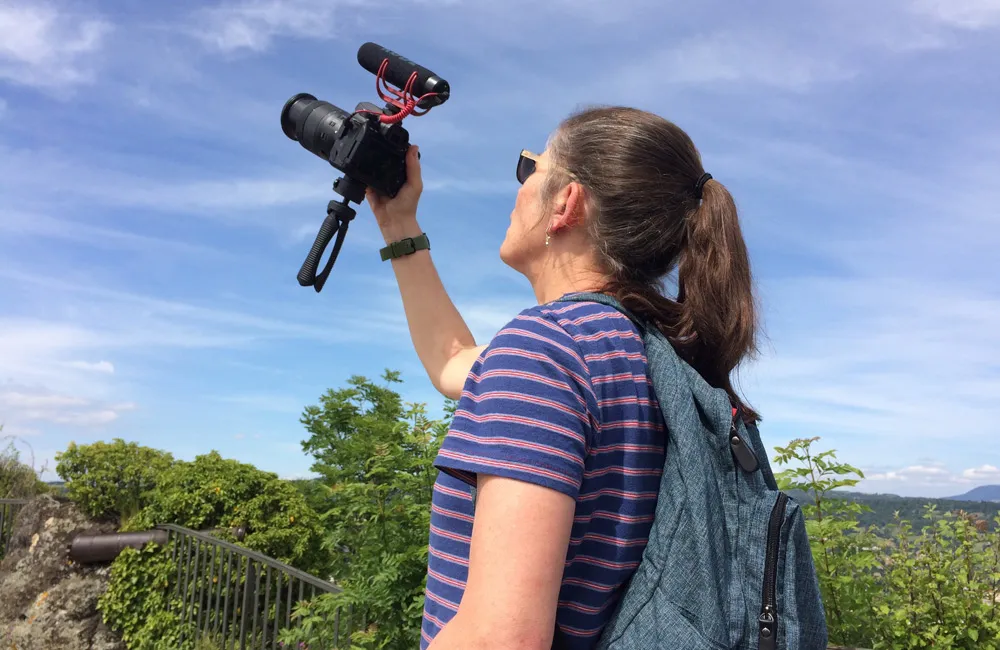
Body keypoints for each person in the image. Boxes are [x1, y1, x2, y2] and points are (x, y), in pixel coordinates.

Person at [366, 105, 759, 650]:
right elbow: (453, 359)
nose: (519, 188)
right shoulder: (642, 353)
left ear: (566, 202)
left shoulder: (546, 350)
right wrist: (399, 223)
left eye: (531, 169)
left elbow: (500, 640)